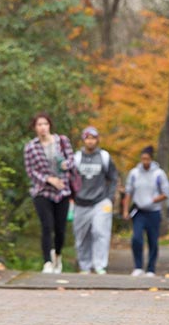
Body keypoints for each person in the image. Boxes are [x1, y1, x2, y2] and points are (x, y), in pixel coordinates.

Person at [23, 112, 79, 274]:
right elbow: (30, 171)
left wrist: (65, 166)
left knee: (60, 228)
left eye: (45, 124)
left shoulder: (62, 141)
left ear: (50, 126)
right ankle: (47, 261)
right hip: (42, 191)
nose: (42, 128)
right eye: (39, 125)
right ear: (35, 128)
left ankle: (58, 256)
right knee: (47, 225)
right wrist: (48, 179)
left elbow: (71, 160)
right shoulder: (31, 147)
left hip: (62, 190)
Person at [71, 126, 118, 275]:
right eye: (87, 138)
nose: (90, 141)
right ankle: (85, 266)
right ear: (83, 140)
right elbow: (70, 179)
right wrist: (72, 198)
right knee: (82, 236)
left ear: (97, 140)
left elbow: (113, 178)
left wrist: (110, 199)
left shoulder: (104, 157)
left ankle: (100, 265)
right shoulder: (76, 158)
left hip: (100, 201)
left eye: (93, 138)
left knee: (100, 232)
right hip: (80, 202)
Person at [122, 145, 169, 277]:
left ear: (151, 159)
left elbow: (166, 193)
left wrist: (153, 200)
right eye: (142, 159)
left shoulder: (159, 174)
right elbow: (128, 192)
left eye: (147, 159)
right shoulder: (134, 173)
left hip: (153, 212)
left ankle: (151, 268)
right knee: (136, 238)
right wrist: (126, 210)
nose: (145, 162)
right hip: (139, 211)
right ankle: (138, 266)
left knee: (153, 241)